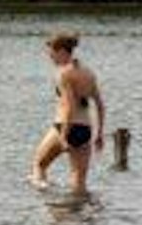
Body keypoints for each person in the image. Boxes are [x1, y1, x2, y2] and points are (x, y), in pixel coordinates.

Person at [30, 32, 106, 194]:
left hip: (65, 125)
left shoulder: (64, 73)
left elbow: (69, 106)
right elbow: (100, 105)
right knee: (78, 179)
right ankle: (79, 214)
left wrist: (64, 135)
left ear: (62, 51)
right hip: (86, 129)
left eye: (52, 53)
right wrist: (99, 134)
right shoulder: (89, 73)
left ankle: (48, 207)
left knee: (39, 164)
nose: (50, 58)